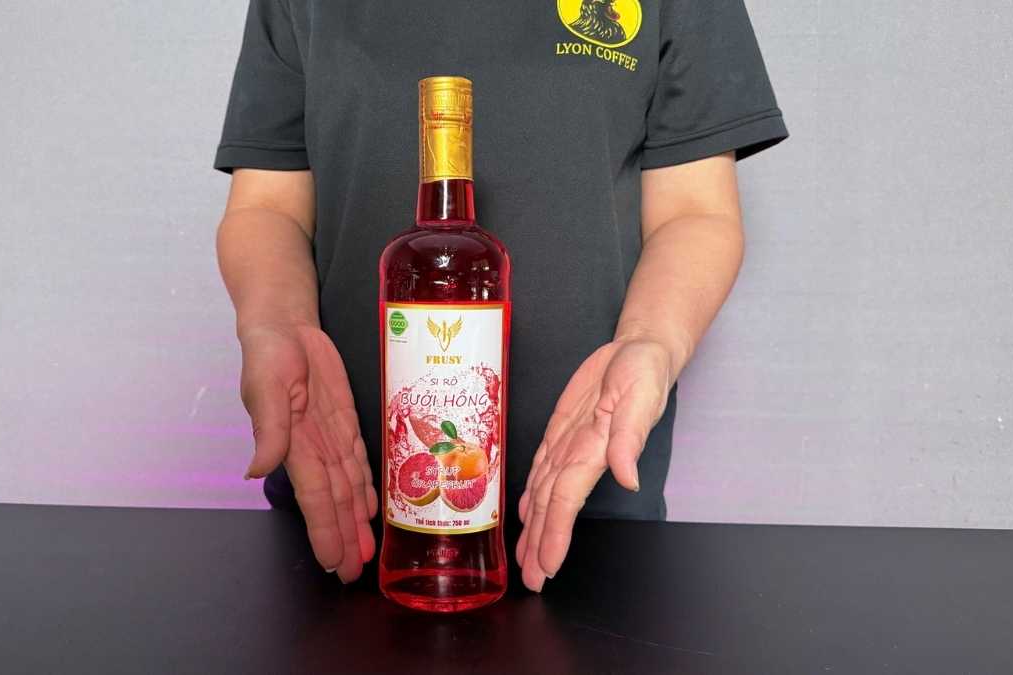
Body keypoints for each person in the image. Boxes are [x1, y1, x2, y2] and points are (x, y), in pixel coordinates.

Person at [215, 0, 787, 592]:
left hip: (590, 503)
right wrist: (274, 324)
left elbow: (695, 213)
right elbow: (269, 206)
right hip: (341, 495)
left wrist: (652, 342)